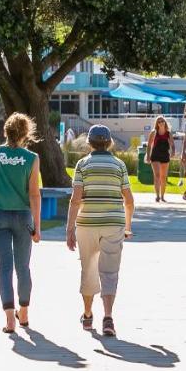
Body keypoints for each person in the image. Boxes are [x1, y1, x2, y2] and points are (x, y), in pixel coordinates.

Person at [67, 124, 134, 337]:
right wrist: (127, 226)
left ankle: (87, 315)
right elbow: (129, 200)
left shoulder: (82, 165)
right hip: (113, 224)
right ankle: (108, 317)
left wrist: (69, 229)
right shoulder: (119, 165)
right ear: (109, 143)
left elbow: (75, 200)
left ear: (89, 143)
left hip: (86, 224)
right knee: (110, 272)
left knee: (88, 269)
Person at [0, 112, 42, 334]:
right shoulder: (32, 158)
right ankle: (23, 312)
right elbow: (34, 194)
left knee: (4, 268)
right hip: (23, 217)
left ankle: (9, 319)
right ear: (26, 133)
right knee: (23, 267)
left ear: (5, 132)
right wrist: (37, 226)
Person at [146, 116, 173, 202]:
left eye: (162, 121)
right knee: (157, 175)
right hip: (155, 155)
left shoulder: (168, 133)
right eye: (159, 122)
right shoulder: (154, 132)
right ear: (157, 124)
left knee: (163, 177)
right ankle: (157, 196)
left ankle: (162, 196)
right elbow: (149, 145)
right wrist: (148, 156)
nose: (161, 123)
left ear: (165, 122)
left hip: (165, 155)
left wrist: (173, 152)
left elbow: (172, 144)